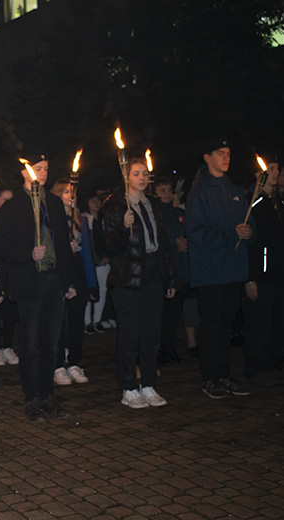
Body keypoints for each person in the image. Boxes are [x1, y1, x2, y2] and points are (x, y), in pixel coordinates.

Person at [0, 154, 75, 422]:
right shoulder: (13, 207)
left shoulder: (52, 202)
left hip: (53, 280)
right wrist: (27, 253)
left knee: (51, 343)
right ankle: (31, 398)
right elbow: (2, 248)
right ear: (24, 172)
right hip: (30, 281)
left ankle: (47, 395)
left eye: (46, 169)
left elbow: (63, 245)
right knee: (29, 344)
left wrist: (68, 280)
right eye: (38, 169)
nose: (42, 173)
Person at [104, 159, 179, 408]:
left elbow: (164, 243)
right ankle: (128, 387)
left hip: (152, 274)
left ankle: (148, 384)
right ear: (127, 177)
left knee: (150, 334)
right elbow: (110, 246)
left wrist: (169, 276)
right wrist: (124, 227)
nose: (142, 177)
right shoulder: (115, 205)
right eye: (136, 173)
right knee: (130, 335)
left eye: (145, 173)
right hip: (127, 279)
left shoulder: (153, 204)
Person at [185, 140, 255, 399]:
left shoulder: (235, 190)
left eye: (228, 154)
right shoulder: (199, 194)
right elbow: (195, 233)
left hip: (233, 270)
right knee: (212, 326)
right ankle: (211, 378)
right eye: (220, 154)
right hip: (211, 272)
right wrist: (229, 234)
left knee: (227, 326)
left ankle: (224, 375)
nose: (226, 158)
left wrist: (248, 232)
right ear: (207, 157)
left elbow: (249, 225)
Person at [241, 157, 284, 386]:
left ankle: (273, 362)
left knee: (277, 321)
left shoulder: (279, 203)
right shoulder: (253, 205)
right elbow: (250, 245)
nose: (276, 172)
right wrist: (250, 278)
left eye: (278, 168)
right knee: (259, 322)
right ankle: (256, 366)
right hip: (262, 275)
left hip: (279, 274)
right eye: (271, 169)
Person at [50, 179, 97, 386]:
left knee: (77, 320)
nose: (70, 195)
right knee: (59, 321)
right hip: (60, 271)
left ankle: (75, 361)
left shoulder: (81, 220)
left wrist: (91, 282)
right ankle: (58, 364)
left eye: (72, 192)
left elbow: (87, 253)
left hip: (78, 271)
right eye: (66, 192)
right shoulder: (51, 220)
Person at [153, 177, 194, 363]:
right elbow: (157, 239)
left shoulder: (178, 212)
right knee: (163, 312)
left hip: (181, 268)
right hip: (165, 270)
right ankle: (160, 348)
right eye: (162, 190)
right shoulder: (156, 212)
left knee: (174, 312)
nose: (167, 193)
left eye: (169, 189)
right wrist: (173, 243)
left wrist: (186, 243)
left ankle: (169, 346)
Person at [0, 188, 19, 367]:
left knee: (10, 312)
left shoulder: (17, 223)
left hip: (13, 274)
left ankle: (7, 346)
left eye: (11, 199)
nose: (8, 203)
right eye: (4, 199)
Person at [81, 193, 112, 333]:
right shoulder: (84, 219)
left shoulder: (104, 220)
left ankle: (97, 320)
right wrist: (96, 259)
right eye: (92, 200)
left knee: (103, 290)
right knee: (89, 290)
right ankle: (87, 322)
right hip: (91, 261)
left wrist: (107, 257)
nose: (96, 203)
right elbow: (89, 244)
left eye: (98, 200)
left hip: (105, 261)